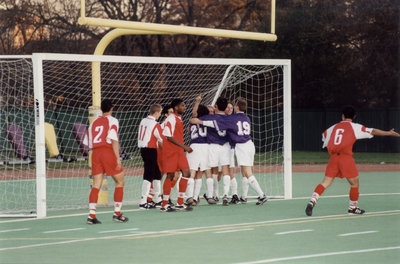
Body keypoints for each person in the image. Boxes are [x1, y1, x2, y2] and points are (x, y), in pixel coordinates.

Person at [305, 105, 400, 216]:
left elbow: (324, 137)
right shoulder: (355, 127)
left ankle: (312, 201)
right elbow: (373, 131)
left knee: (325, 182)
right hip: (345, 158)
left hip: (334, 158)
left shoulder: (333, 127)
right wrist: (388, 133)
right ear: (354, 116)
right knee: (355, 183)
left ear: (342, 116)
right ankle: (353, 208)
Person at [191, 97, 268, 205]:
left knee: (247, 172)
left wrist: (200, 121)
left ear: (236, 107)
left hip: (241, 146)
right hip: (249, 144)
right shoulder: (246, 118)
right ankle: (243, 196)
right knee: (244, 172)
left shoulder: (231, 119)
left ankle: (262, 195)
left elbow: (215, 124)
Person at [84, 99, 128, 224]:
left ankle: (91, 215)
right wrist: (117, 158)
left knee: (96, 184)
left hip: (95, 153)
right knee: (120, 181)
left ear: (101, 109)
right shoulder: (113, 120)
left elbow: (87, 142)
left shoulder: (94, 122)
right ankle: (117, 213)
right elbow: (114, 139)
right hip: (107, 151)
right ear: (112, 108)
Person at [161, 98, 194, 212]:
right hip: (170, 151)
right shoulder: (170, 118)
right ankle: (164, 204)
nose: (184, 107)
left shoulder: (178, 118)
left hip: (178, 151)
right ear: (176, 107)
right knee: (170, 176)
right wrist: (185, 147)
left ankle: (180, 202)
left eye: (184, 105)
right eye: (182, 105)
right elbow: (168, 136)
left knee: (187, 173)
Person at [186, 95, 216, 205]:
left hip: (193, 147)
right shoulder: (208, 119)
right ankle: (210, 196)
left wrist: (197, 102)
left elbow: (194, 115)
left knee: (193, 173)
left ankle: (191, 197)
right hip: (205, 146)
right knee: (207, 172)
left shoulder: (192, 121)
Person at [137, 104, 163, 210]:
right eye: (160, 112)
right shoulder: (155, 124)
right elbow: (161, 139)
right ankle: (143, 201)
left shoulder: (143, 121)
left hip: (143, 149)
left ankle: (157, 199)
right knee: (149, 174)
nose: (160, 114)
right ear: (156, 113)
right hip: (150, 149)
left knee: (157, 173)